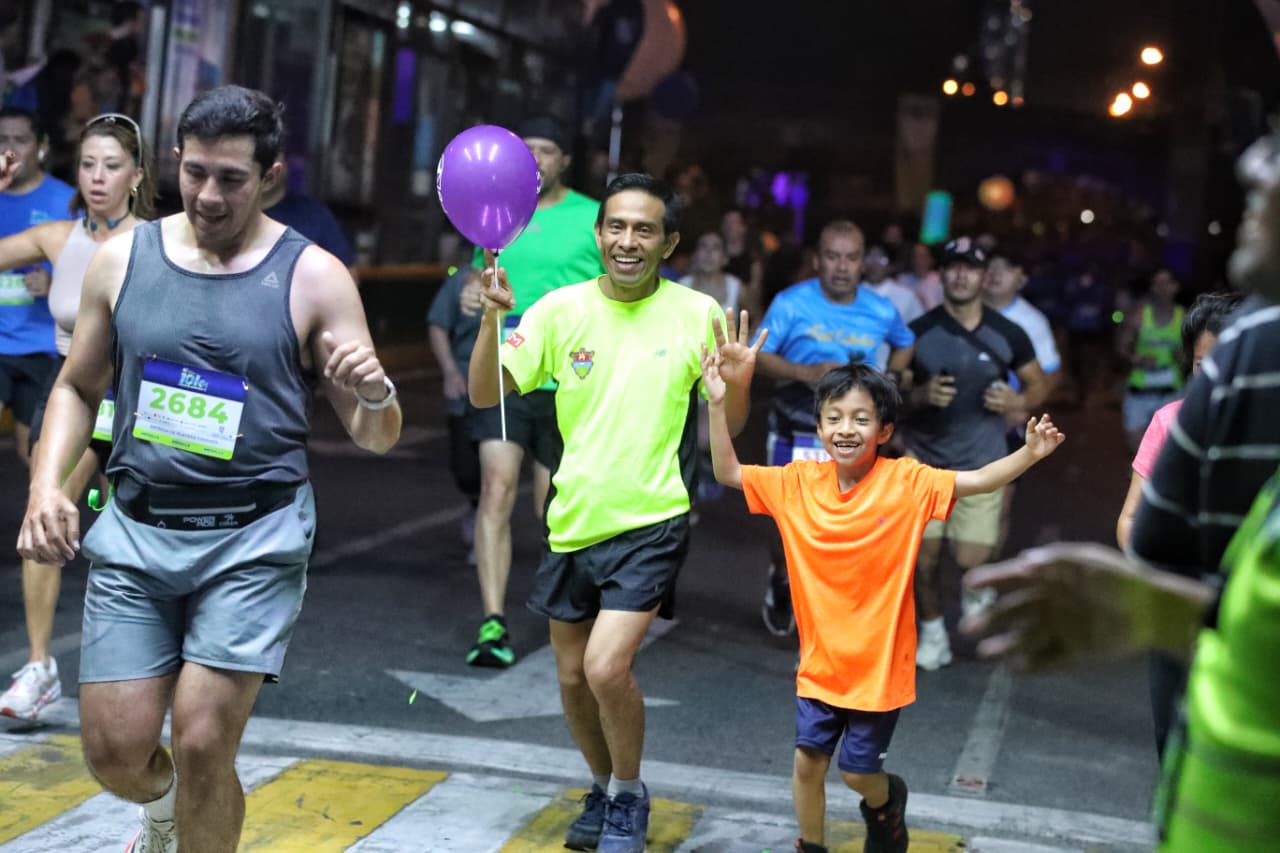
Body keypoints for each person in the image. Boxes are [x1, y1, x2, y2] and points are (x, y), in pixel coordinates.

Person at [16, 85, 401, 853]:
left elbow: (376, 435)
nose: (208, 194)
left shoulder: (315, 276)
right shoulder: (123, 259)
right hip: (138, 527)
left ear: (270, 175)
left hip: (253, 538)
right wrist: (44, 486)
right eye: (194, 173)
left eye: (230, 177)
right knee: (116, 752)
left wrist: (377, 393)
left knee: (200, 742)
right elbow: (77, 386)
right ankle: (160, 813)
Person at [468, 173, 759, 853]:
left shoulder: (697, 314)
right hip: (573, 518)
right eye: (617, 227)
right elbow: (488, 392)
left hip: (652, 518)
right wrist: (491, 318)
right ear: (599, 235)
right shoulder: (557, 310)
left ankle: (628, 795)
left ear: (669, 242)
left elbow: (730, 422)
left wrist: (732, 389)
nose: (628, 240)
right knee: (570, 676)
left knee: (604, 668)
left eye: (645, 229)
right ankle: (603, 784)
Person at [699, 360, 1063, 853]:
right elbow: (726, 470)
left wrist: (1029, 454)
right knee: (807, 762)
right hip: (821, 664)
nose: (845, 429)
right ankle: (811, 845)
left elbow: (976, 481)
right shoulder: (795, 483)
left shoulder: (907, 483)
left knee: (857, 772)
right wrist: (718, 403)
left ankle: (887, 801)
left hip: (879, 668)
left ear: (885, 429)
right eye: (833, 417)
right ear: (819, 425)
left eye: (860, 418)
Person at [0, 112, 155, 722]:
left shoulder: (158, 241)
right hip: (71, 396)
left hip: (138, 400)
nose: (97, 177)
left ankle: (141, 673)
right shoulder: (58, 239)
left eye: (112, 166)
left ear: (137, 176)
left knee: (129, 539)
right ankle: (40, 667)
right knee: (44, 518)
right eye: (88, 163)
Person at [458, 113, 604, 668]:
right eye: (527, 150)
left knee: (552, 506)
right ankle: (493, 621)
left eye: (547, 150)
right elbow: (478, 276)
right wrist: (472, 291)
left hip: (571, 376)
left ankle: (564, 610)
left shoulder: (593, 217)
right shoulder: (496, 214)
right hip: (506, 370)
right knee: (497, 487)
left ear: (564, 159)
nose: (536, 159)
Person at [754, 220, 915, 637]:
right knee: (785, 522)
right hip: (796, 426)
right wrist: (804, 371)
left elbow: (905, 340)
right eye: (832, 256)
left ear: (863, 262)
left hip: (853, 437)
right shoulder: (791, 303)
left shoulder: (880, 309)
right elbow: (759, 355)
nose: (841, 266)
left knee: (848, 524)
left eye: (851, 257)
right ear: (817, 260)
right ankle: (782, 577)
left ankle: (831, 617)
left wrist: (895, 374)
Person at [904, 237, 1048, 670]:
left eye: (971, 268)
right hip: (924, 466)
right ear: (942, 275)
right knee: (923, 560)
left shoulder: (1009, 334)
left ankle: (974, 588)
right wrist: (920, 394)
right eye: (953, 267)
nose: (962, 275)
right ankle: (932, 634)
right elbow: (888, 393)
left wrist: (1017, 402)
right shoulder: (918, 332)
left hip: (982, 465)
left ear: (985, 277)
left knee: (970, 559)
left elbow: (1040, 385)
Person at [1115, 290, 1243, 550]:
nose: (1214, 378)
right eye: (1202, 365)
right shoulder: (1169, 421)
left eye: (1229, 366)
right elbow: (1130, 519)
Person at [1, 106, 74, 465]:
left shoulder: (66, 201)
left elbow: (92, 273)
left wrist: (55, 280)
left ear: (41, 146)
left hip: (42, 346)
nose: (10, 150)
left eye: (20, 140)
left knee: (35, 454)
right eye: (2, 140)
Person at [427, 262, 483, 558]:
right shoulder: (463, 279)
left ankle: (486, 539)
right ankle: (476, 505)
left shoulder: (527, 276)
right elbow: (438, 324)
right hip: (466, 386)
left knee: (499, 470)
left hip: (507, 388)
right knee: (466, 470)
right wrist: (449, 370)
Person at [1118, 268, 1184, 451]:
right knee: (1136, 444)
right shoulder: (1139, 316)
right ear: (1152, 288)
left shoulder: (1185, 318)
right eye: (1157, 283)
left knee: (1167, 449)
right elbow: (1121, 348)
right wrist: (1135, 359)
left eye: (1166, 283)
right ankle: (1139, 477)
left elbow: (1197, 356)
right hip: (1140, 391)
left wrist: (1183, 358)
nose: (1162, 288)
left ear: (1175, 287)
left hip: (1170, 393)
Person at [261, 151, 356, 269]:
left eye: (275, 158)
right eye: (262, 160)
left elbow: (348, 272)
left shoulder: (315, 214)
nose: (271, 168)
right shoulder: (236, 215)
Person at [860, 244, 924, 370]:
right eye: (870, 258)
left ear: (891, 265)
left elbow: (919, 334)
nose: (874, 264)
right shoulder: (851, 294)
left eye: (881, 259)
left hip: (888, 375)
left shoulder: (906, 296)